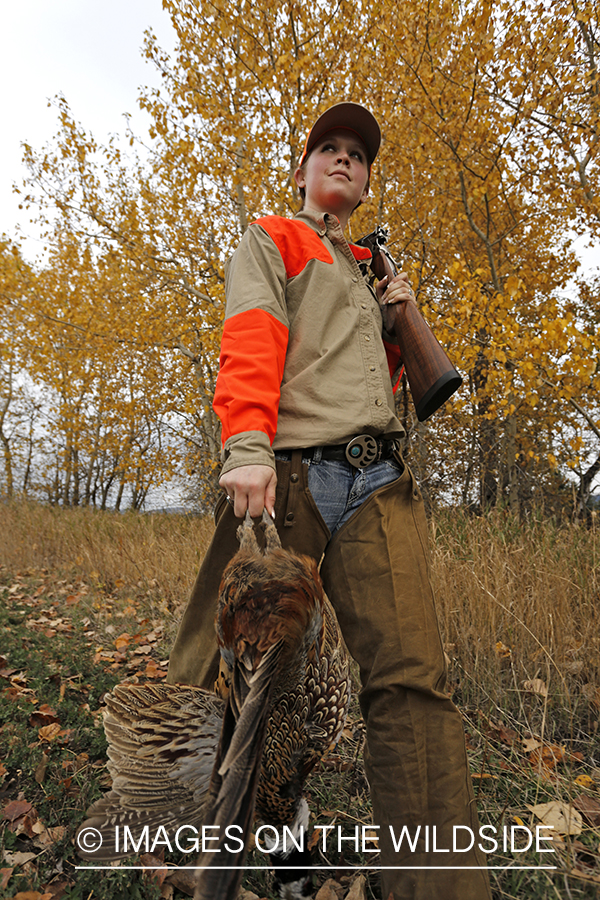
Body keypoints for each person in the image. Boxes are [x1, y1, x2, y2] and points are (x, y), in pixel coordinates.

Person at [168, 102, 492, 900]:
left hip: (380, 480)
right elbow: (250, 337)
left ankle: (440, 887)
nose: (345, 159)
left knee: (413, 682)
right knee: (225, 671)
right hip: (290, 475)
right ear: (306, 171)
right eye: (330, 149)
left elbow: (392, 391)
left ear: (368, 180)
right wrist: (245, 448)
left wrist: (400, 312)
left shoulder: (372, 273)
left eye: (359, 154)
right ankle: (182, 853)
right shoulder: (273, 238)